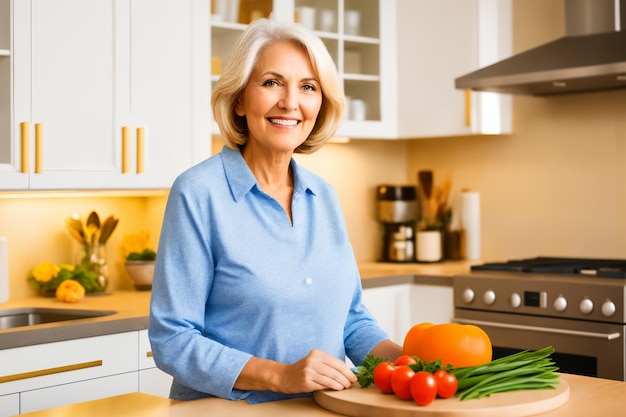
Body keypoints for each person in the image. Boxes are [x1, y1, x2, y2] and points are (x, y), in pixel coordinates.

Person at [148, 18, 402, 404]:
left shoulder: (324, 196)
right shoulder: (199, 193)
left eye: (308, 87)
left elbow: (350, 320)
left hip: (322, 409)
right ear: (238, 98)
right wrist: (280, 375)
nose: (290, 102)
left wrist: (407, 363)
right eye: (271, 82)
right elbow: (174, 339)